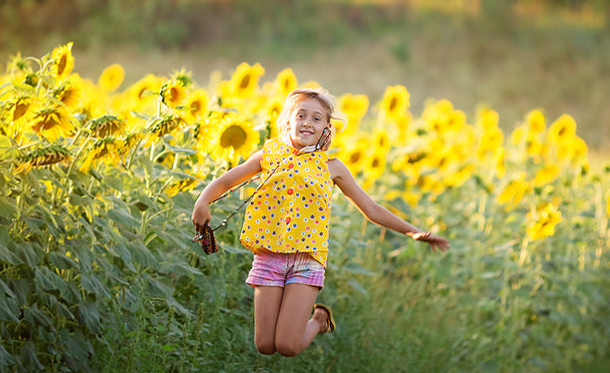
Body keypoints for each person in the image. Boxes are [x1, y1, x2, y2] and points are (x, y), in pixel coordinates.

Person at [191, 87, 449, 357]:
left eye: (316, 119)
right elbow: (226, 181)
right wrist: (202, 202)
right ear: (288, 121)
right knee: (265, 345)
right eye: (301, 115)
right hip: (268, 257)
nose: (307, 123)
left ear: (327, 128)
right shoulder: (269, 155)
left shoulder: (331, 166)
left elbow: (370, 208)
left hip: (307, 260)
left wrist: (413, 232)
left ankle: (318, 322)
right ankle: (308, 323)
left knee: (288, 346)